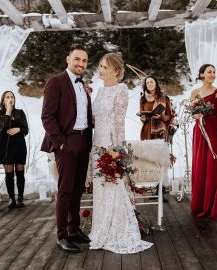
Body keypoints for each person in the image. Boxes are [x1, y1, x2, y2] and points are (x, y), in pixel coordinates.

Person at [89, 53, 153, 254]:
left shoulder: (121, 89)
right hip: (96, 145)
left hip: (110, 146)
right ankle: (101, 228)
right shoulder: (98, 92)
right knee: (101, 189)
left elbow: (119, 122)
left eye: (105, 67)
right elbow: (94, 119)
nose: (100, 70)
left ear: (116, 71)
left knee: (113, 186)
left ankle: (118, 230)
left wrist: (117, 149)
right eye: (99, 66)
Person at [41, 44, 93, 253]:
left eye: (84, 61)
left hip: (83, 140)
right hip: (67, 142)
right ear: (68, 59)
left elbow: (81, 114)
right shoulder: (56, 82)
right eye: (77, 59)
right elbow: (47, 116)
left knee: (78, 189)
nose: (81, 63)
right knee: (65, 190)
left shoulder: (82, 85)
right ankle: (61, 235)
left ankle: (74, 229)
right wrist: (61, 142)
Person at [190, 64, 217, 219]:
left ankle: (210, 206)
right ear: (202, 74)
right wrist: (196, 116)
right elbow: (193, 114)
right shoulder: (195, 93)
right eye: (209, 72)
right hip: (199, 132)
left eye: (214, 72)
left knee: (212, 169)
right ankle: (199, 204)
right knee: (200, 167)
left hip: (214, 131)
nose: (212, 74)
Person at [0, 91, 28, 209]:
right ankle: (12, 199)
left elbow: (26, 129)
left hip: (19, 145)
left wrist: (19, 130)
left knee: (20, 173)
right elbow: (3, 126)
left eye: (12, 97)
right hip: (6, 146)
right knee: (9, 173)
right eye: (7, 97)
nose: (10, 99)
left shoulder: (20, 113)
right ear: (3, 100)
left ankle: (20, 197)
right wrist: (8, 110)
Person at [139, 75, 172, 140]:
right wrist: (142, 118)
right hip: (146, 131)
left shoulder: (164, 98)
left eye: (151, 82)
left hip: (160, 132)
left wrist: (160, 117)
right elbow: (141, 114)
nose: (149, 84)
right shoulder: (143, 99)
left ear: (156, 83)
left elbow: (168, 116)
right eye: (147, 83)